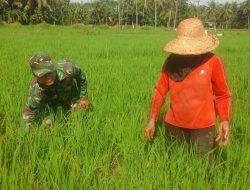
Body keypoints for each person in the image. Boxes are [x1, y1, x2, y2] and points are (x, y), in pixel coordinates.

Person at [144, 18, 231, 159]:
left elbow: (223, 94)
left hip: (203, 126)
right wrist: (152, 119)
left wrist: (225, 120)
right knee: (175, 165)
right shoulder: (172, 62)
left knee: (204, 169)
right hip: (174, 124)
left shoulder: (213, 62)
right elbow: (160, 91)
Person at [22, 53, 90, 128]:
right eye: (42, 75)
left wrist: (84, 98)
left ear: (54, 68)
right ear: (35, 76)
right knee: (46, 125)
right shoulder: (35, 89)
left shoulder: (67, 68)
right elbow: (28, 113)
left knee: (80, 115)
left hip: (69, 96)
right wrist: (23, 137)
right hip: (50, 103)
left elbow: (81, 76)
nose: (48, 77)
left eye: (50, 72)